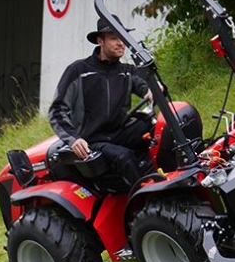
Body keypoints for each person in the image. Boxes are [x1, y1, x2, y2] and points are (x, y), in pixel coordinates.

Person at [48, 15, 155, 191]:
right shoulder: (78, 71)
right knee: (124, 156)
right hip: (93, 139)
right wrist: (74, 139)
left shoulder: (127, 71)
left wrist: (152, 88)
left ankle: (170, 180)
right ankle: (148, 203)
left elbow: (146, 86)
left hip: (120, 132)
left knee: (159, 128)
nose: (121, 43)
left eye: (122, 38)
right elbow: (57, 111)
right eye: (114, 38)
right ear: (100, 41)